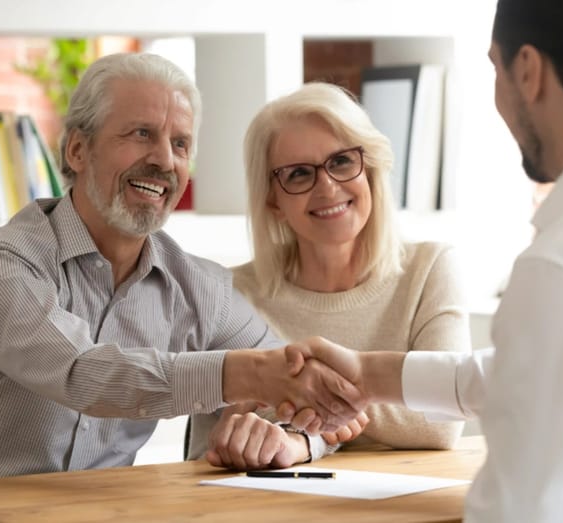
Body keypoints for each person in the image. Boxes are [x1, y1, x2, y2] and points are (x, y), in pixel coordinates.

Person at [0, 52, 367, 485]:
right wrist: (251, 374)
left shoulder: (200, 288)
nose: (164, 159)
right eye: (141, 133)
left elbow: (305, 391)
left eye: (180, 143)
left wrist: (296, 438)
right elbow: (82, 373)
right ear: (78, 151)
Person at [284, 0, 563, 520]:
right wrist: (371, 375)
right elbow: (550, 370)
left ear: (527, 71)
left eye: (494, 67)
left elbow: (519, 512)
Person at [187, 82, 471, 470]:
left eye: (341, 162)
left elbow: (442, 420)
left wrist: (305, 425)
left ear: (369, 168)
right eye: (300, 174)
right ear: (272, 199)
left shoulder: (430, 269)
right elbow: (205, 450)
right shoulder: (228, 294)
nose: (327, 187)